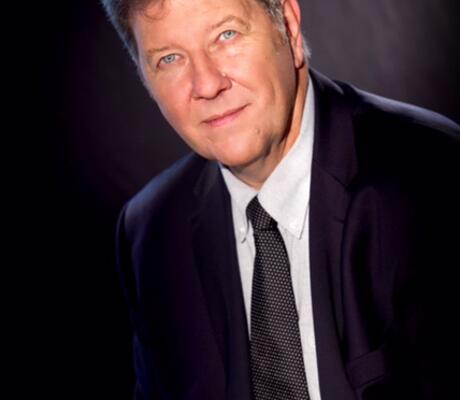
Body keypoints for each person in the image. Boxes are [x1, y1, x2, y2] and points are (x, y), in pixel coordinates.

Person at [101, 0, 460, 399]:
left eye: (226, 35)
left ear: (288, 26)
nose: (207, 85)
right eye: (169, 58)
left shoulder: (429, 173)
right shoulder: (151, 234)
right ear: (144, 76)